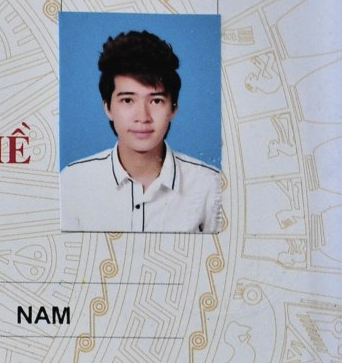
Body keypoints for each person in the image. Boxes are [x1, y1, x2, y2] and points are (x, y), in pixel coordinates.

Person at [60, 28, 222, 233]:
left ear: (174, 109)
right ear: (108, 108)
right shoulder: (72, 181)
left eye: (156, 101)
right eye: (128, 100)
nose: (143, 117)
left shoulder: (210, 185)